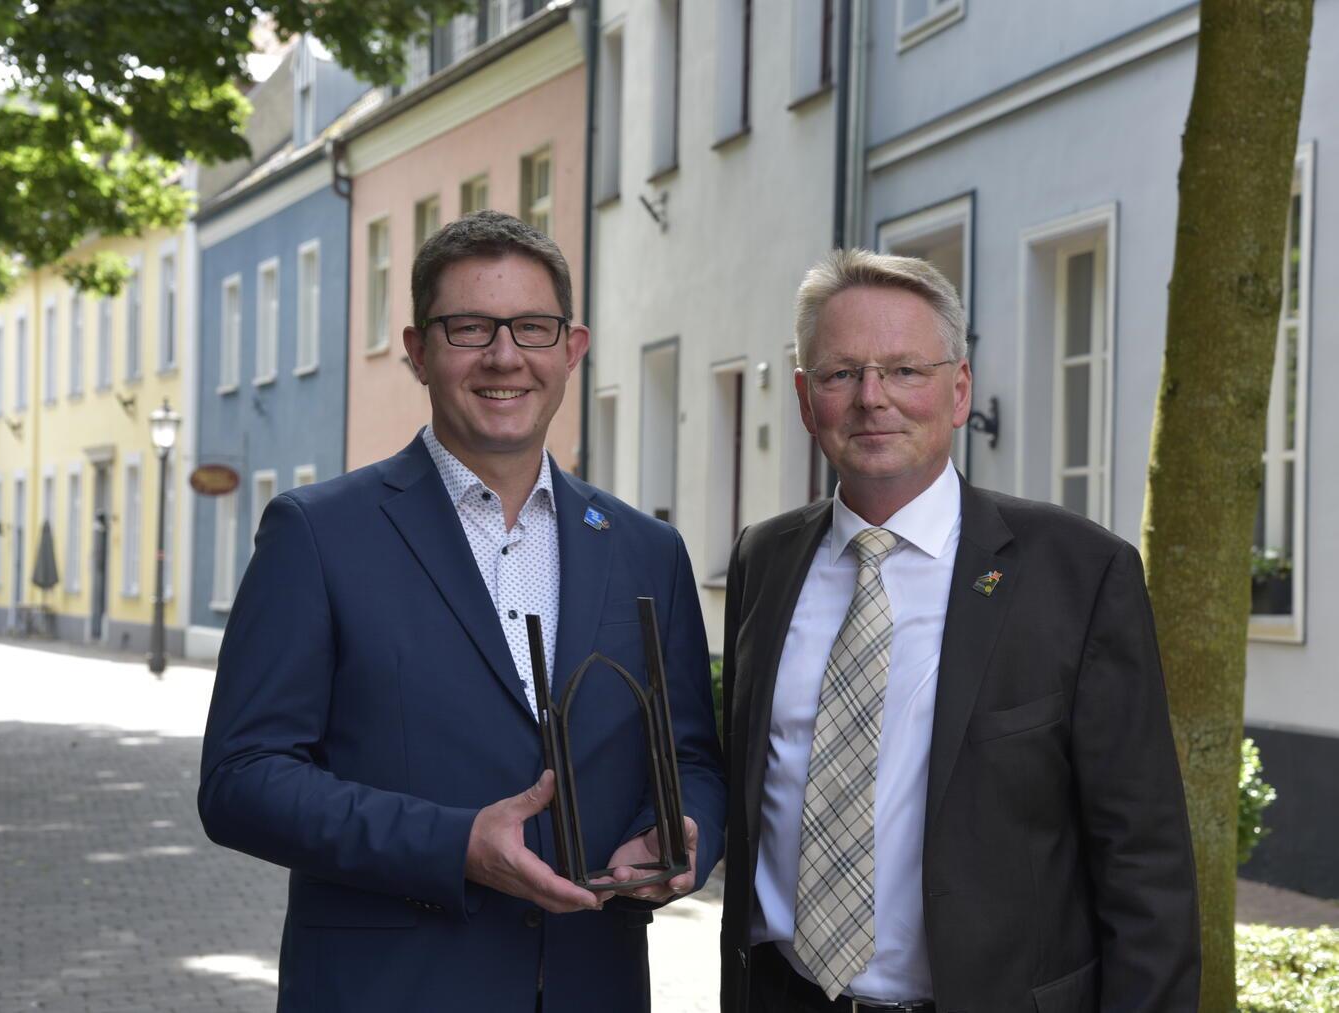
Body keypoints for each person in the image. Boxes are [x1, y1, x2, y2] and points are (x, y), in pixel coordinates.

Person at [199, 210, 725, 1012]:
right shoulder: (318, 534)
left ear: (572, 348)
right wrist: (454, 846)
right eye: (470, 327)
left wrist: (686, 831)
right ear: (418, 351)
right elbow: (242, 781)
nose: (505, 355)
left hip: (593, 987)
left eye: (533, 328)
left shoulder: (646, 550)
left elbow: (690, 757)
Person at [719, 250, 1199, 1013]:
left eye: (906, 370)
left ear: (958, 390)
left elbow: (1145, 864)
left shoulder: (1080, 573)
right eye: (843, 374)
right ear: (808, 401)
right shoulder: (763, 559)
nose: (874, 398)